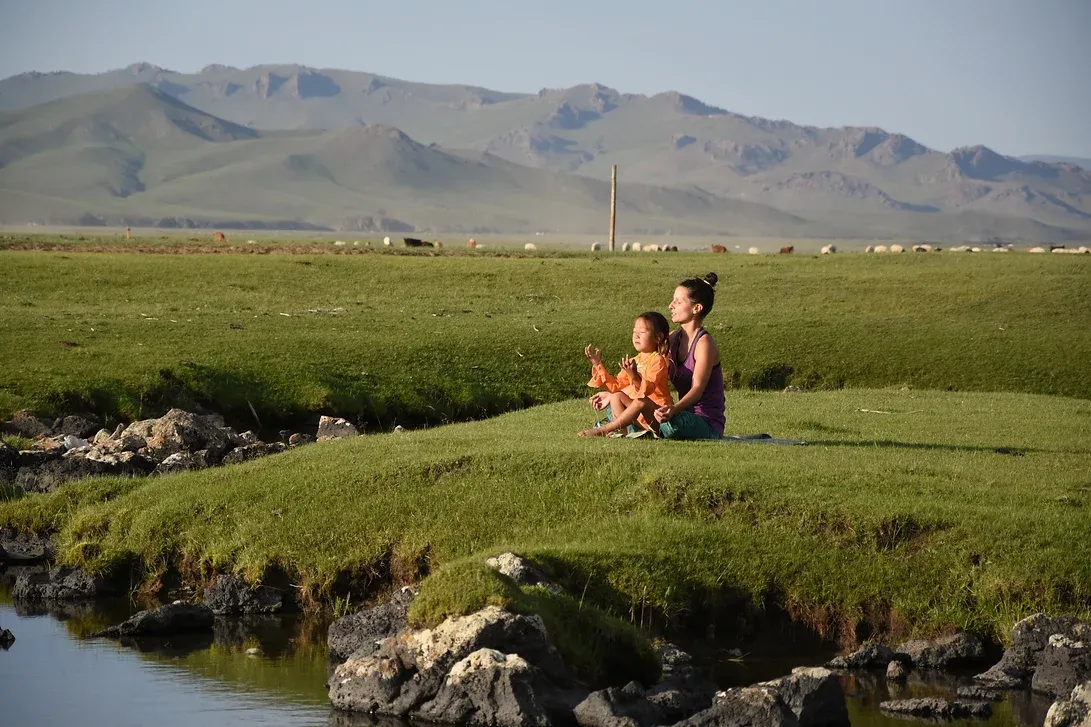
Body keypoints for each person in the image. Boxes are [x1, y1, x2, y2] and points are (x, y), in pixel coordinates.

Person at [654, 273, 726, 440]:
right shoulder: (672, 338)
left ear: (697, 308)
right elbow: (653, 374)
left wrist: (674, 409)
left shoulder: (704, 343)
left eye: (678, 302)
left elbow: (697, 390)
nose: (671, 305)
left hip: (705, 422)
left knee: (669, 423)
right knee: (630, 406)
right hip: (678, 413)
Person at [579, 312, 673, 437]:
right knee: (617, 396)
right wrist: (597, 365)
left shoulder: (658, 360)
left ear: (658, 337)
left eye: (642, 332)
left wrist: (634, 375)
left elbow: (648, 391)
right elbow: (616, 386)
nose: (636, 336)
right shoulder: (635, 361)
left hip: (658, 417)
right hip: (639, 418)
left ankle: (604, 429)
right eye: (634, 332)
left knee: (642, 402)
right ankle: (622, 432)